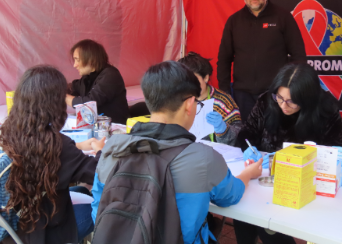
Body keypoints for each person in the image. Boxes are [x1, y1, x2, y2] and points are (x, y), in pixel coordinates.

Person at [91, 61, 263, 244]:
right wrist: (248, 173)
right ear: (190, 104)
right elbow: (230, 196)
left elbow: (97, 211)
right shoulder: (203, 157)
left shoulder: (112, 148)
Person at [234, 63, 342, 244]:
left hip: (306, 187)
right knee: (242, 216)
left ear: (307, 98)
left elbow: (335, 150)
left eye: (292, 101)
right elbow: (247, 134)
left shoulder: (326, 110)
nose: (284, 105)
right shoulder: (266, 101)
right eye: (280, 97)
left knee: (270, 229)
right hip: (264, 180)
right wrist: (249, 150)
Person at [0, 65, 105, 244]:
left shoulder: (8, 132)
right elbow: (98, 173)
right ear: (54, 102)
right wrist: (102, 150)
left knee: (79, 190)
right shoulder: (57, 144)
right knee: (103, 206)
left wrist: (77, 146)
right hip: (47, 233)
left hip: (14, 224)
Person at [217, 0, 306, 122]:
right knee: (245, 140)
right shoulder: (234, 21)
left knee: (275, 141)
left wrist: (290, 89)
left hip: (275, 95)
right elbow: (224, 59)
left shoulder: (283, 17)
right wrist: (225, 93)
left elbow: (298, 56)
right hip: (242, 96)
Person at [178, 52, 242, 145]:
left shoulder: (223, 101)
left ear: (206, 78)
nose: (189, 86)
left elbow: (239, 135)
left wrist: (223, 129)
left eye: (194, 80)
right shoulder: (178, 100)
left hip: (216, 154)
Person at [65, 39, 129, 124]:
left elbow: (90, 103)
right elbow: (72, 87)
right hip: (96, 129)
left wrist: (63, 96)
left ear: (91, 60)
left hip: (116, 130)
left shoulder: (110, 75)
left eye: (77, 60)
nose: (75, 65)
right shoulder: (87, 78)